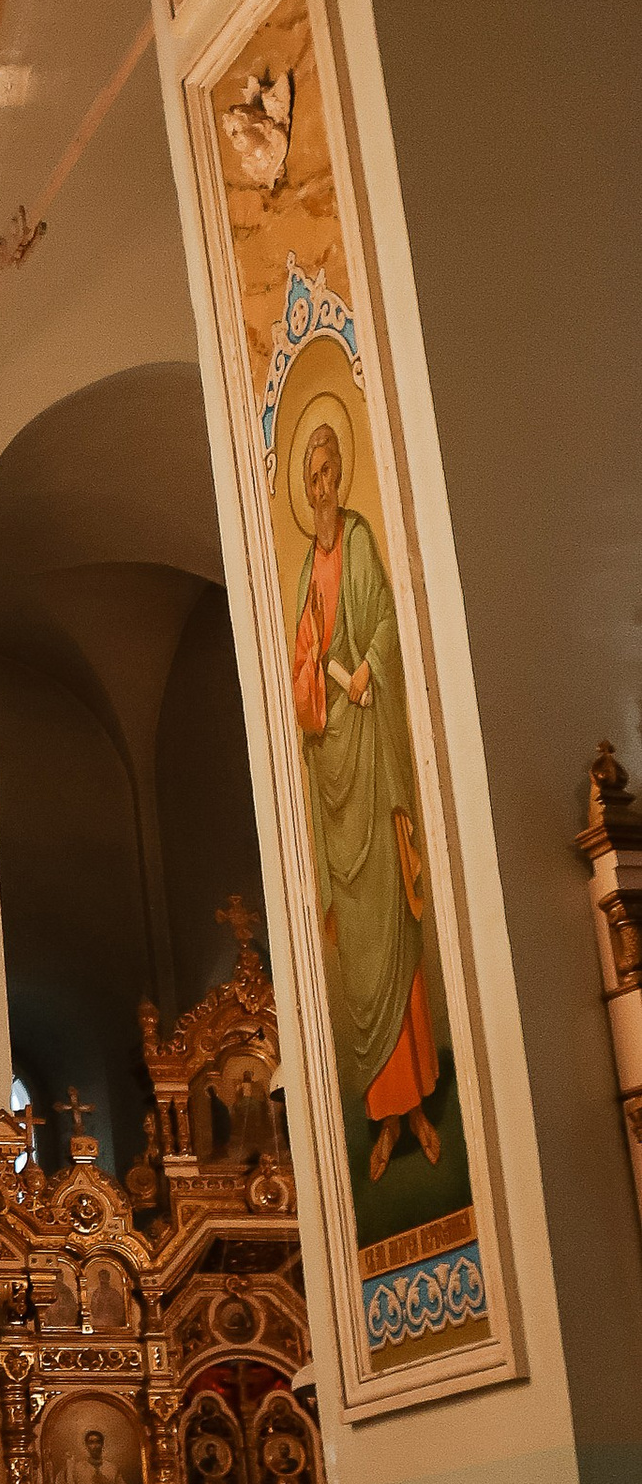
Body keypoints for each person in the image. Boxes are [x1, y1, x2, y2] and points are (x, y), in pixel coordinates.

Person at [289, 400, 442, 1181]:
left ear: (341, 475)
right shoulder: (305, 575)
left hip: (373, 756)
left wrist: (369, 670)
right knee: (356, 961)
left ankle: (419, 1104)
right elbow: (299, 670)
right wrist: (322, 675)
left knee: (395, 929)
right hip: (331, 776)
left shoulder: (355, 539)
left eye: (328, 471)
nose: (321, 485)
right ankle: (384, 1116)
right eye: (311, 475)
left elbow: (381, 617)